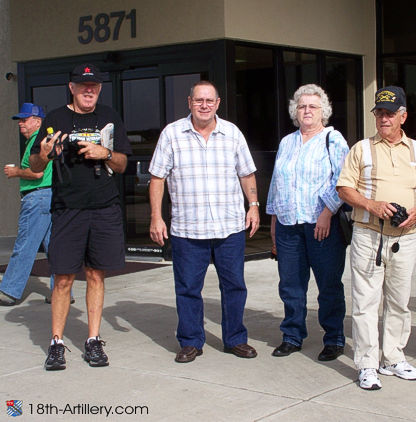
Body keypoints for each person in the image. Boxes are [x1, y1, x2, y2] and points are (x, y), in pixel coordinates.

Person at [336, 86, 416, 390]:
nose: (383, 118)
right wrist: (372, 205)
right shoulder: (361, 149)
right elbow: (344, 188)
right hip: (369, 236)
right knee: (365, 302)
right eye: (379, 112)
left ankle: (393, 358)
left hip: (405, 237)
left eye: (390, 113)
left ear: (403, 116)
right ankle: (367, 365)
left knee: (399, 302)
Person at [30, 63, 132, 371]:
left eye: (94, 86)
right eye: (83, 85)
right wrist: (45, 152)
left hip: (104, 207)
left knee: (95, 274)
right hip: (67, 209)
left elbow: (123, 163)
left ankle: (93, 340)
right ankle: (57, 343)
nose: (89, 90)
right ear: (72, 87)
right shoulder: (55, 119)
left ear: (99, 89)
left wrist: (105, 154)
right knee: (62, 278)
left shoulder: (110, 117)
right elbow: (35, 165)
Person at [149, 80, 260, 363]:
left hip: (229, 226)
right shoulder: (172, 134)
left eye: (209, 101)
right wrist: (156, 217)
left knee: (234, 286)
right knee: (187, 289)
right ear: (189, 102)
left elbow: (247, 174)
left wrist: (254, 206)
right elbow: (157, 178)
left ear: (218, 103)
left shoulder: (232, 134)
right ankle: (190, 341)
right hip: (188, 228)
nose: (204, 105)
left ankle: (235, 339)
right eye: (199, 100)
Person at [266, 84, 349, 361]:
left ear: (323, 110)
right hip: (289, 224)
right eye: (302, 106)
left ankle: (334, 338)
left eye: (313, 106)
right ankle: (292, 335)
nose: (307, 111)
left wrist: (326, 213)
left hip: (321, 224)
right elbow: (277, 184)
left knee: (328, 285)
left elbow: (343, 180)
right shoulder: (286, 142)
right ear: (295, 111)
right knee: (290, 285)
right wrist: (274, 223)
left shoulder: (332, 139)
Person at [0, 103, 55, 306]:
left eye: (25, 119)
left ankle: (9, 291)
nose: (20, 123)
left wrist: (16, 172)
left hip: (37, 197)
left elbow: (37, 173)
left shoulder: (38, 142)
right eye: (19, 120)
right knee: (54, 247)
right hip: (49, 197)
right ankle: (62, 292)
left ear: (38, 121)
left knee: (25, 244)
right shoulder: (43, 141)